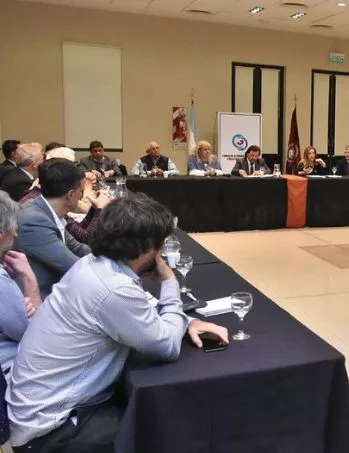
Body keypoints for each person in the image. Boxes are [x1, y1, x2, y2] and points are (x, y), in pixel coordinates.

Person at [6, 194, 229, 452]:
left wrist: (186, 320)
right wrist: (169, 282)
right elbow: (167, 346)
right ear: (148, 248)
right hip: (51, 430)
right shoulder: (113, 289)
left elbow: (134, 315)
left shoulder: (92, 265)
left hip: (33, 409)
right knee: (173, 424)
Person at [13, 158, 91, 297]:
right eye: (81, 191)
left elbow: (78, 248)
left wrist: (112, 257)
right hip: (40, 298)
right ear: (71, 194)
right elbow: (73, 267)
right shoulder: (33, 221)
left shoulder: (47, 210)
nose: (82, 196)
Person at [0, 191, 40, 373]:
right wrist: (28, 279)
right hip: (11, 372)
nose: (15, 234)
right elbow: (34, 335)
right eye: (13, 227)